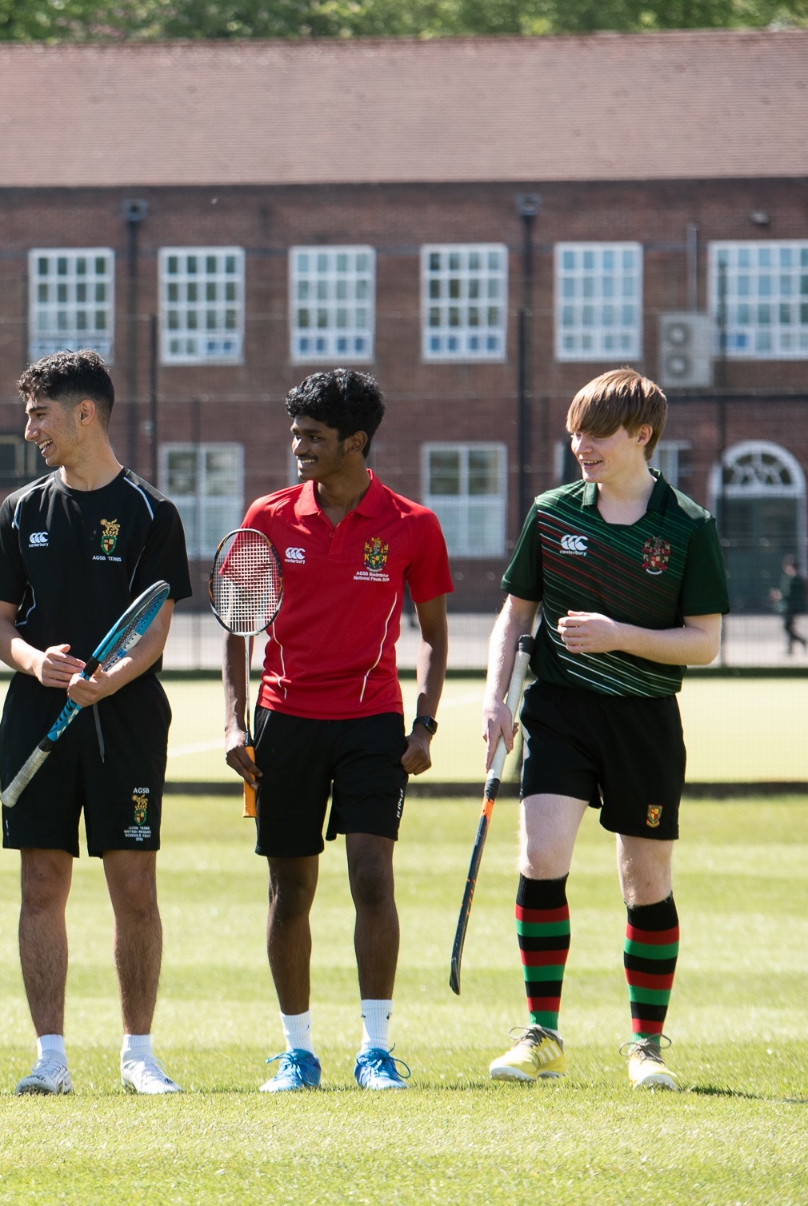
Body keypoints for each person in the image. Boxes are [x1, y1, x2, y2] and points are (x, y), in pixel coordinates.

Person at [484, 370, 726, 1092]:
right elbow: (514, 613)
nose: (579, 446)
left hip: (644, 719)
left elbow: (703, 642)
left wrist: (618, 634)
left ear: (640, 435)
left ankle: (646, 1044)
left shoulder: (688, 525)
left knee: (644, 880)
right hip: (559, 711)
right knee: (541, 854)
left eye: (595, 434)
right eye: (574, 433)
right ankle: (541, 1034)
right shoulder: (552, 512)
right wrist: (496, 698)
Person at [223, 369, 451, 1092]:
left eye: (314, 436)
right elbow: (237, 625)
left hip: (373, 723)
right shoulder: (267, 515)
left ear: (356, 441)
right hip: (284, 720)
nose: (298, 446)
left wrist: (423, 723)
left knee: (371, 878)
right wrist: (233, 718)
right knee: (290, 889)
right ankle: (297, 1051)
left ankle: (375, 1049)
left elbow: (435, 636)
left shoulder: (413, 525)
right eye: (295, 433)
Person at [0, 349, 190, 1098]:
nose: (30, 427)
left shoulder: (153, 513)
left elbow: (155, 625)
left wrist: (113, 679)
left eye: (40, 413)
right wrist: (36, 663)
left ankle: (139, 1054)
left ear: (84, 413)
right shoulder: (20, 510)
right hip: (36, 714)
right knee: (41, 883)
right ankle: (51, 1058)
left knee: (133, 885)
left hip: (125, 717)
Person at [774, 555, 806, 655]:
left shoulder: (794, 579)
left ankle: (802, 641)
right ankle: (790, 650)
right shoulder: (795, 578)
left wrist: (779, 596)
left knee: (787, 627)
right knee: (790, 627)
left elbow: (788, 594)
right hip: (793, 606)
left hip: (791, 607)